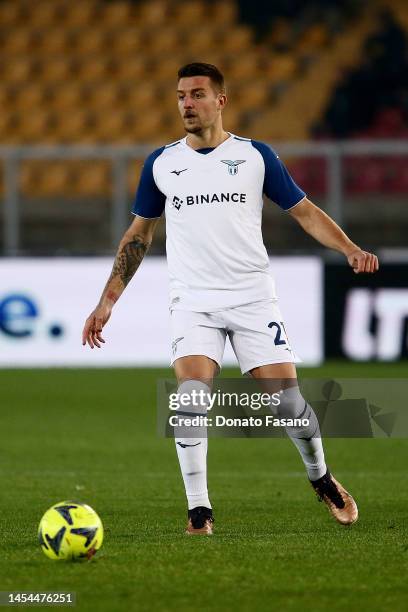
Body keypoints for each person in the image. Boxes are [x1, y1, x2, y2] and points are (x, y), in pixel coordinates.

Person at [82, 62, 379, 535]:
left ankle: (320, 477)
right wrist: (108, 300)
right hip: (193, 301)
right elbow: (138, 234)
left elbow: (304, 212)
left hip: (252, 299)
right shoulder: (162, 163)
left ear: (221, 100)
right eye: (181, 95)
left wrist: (350, 249)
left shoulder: (255, 157)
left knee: (288, 405)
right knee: (190, 400)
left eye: (197, 94)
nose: (187, 103)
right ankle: (199, 510)